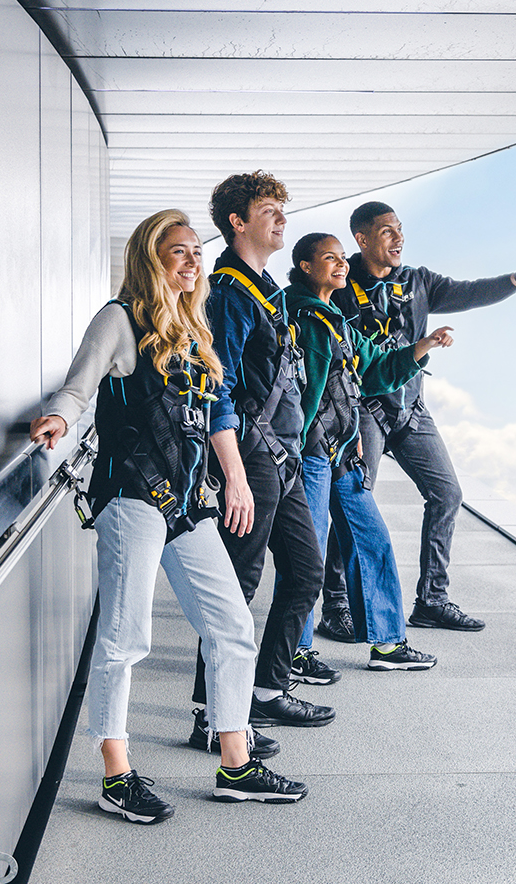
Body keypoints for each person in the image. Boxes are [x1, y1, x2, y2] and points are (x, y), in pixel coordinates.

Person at [30, 209, 305, 825]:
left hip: (186, 502)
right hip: (130, 498)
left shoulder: (191, 326)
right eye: (177, 252)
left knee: (232, 625)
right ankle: (115, 773)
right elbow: (79, 387)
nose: (191, 261)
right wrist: (57, 418)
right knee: (127, 638)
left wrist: (234, 477)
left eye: (194, 252)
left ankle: (235, 763)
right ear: (150, 259)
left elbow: (214, 414)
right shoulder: (119, 318)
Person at [320, 201, 516, 639]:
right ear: (363, 239)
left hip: (411, 409)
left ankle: (432, 600)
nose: (398, 238)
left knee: (447, 494)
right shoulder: (341, 280)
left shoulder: (419, 281)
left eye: (400, 230)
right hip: (363, 409)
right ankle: (336, 604)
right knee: (355, 504)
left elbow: (470, 292)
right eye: (387, 231)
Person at [185, 171, 337, 746]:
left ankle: (267, 690)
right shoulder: (226, 293)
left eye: (282, 209)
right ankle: (212, 716)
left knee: (305, 571)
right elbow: (215, 385)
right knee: (238, 586)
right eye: (269, 209)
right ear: (237, 222)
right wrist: (233, 476)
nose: (281, 218)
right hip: (250, 461)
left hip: (284, 457)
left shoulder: (265, 289)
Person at [286, 232, 452, 669]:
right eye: (330, 258)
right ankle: (297, 651)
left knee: (373, 538)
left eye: (343, 258)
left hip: (341, 452)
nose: (342, 264)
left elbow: (375, 369)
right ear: (305, 267)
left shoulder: (334, 319)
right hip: (310, 456)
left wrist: (424, 346)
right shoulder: (293, 315)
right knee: (310, 551)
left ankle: (388, 645)